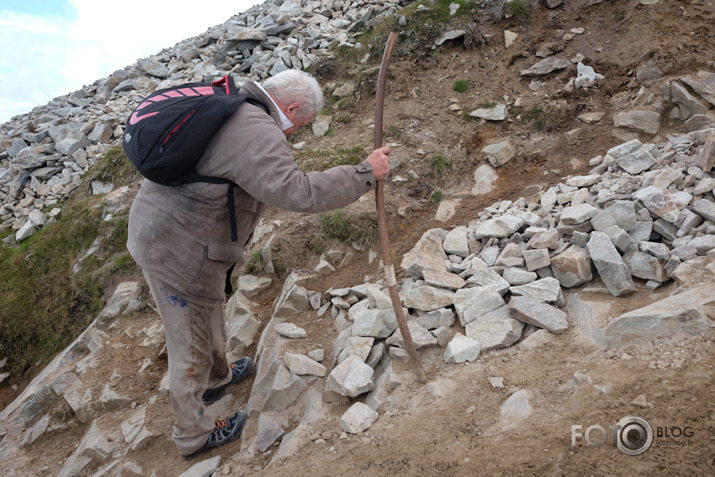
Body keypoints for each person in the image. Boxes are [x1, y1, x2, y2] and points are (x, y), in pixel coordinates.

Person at [127, 69, 390, 459]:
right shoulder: (254, 127)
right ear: (292, 107)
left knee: (208, 309)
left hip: (171, 233)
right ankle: (193, 435)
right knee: (190, 342)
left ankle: (218, 377)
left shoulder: (236, 103)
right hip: (178, 251)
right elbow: (296, 191)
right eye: (301, 124)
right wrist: (364, 174)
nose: (296, 132)